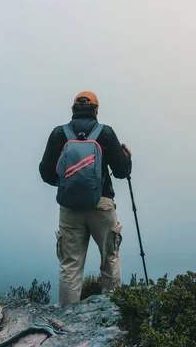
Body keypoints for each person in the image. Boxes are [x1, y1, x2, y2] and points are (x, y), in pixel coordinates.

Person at [39, 91, 132, 307]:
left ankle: (67, 317)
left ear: (72, 110)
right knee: (109, 258)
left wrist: (67, 185)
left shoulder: (59, 134)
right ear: (96, 111)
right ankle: (111, 312)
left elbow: (45, 173)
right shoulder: (106, 133)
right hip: (102, 204)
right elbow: (120, 172)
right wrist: (127, 158)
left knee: (70, 264)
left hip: (70, 208)